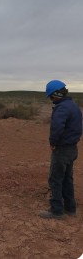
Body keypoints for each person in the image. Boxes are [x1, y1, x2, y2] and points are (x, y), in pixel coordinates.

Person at [39, 80, 82, 219]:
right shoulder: (73, 106)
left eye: (51, 96)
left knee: (55, 179)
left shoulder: (62, 108)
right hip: (72, 148)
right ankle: (70, 208)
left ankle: (57, 211)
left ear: (57, 94)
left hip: (62, 149)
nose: (51, 99)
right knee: (67, 178)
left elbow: (57, 127)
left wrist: (53, 142)